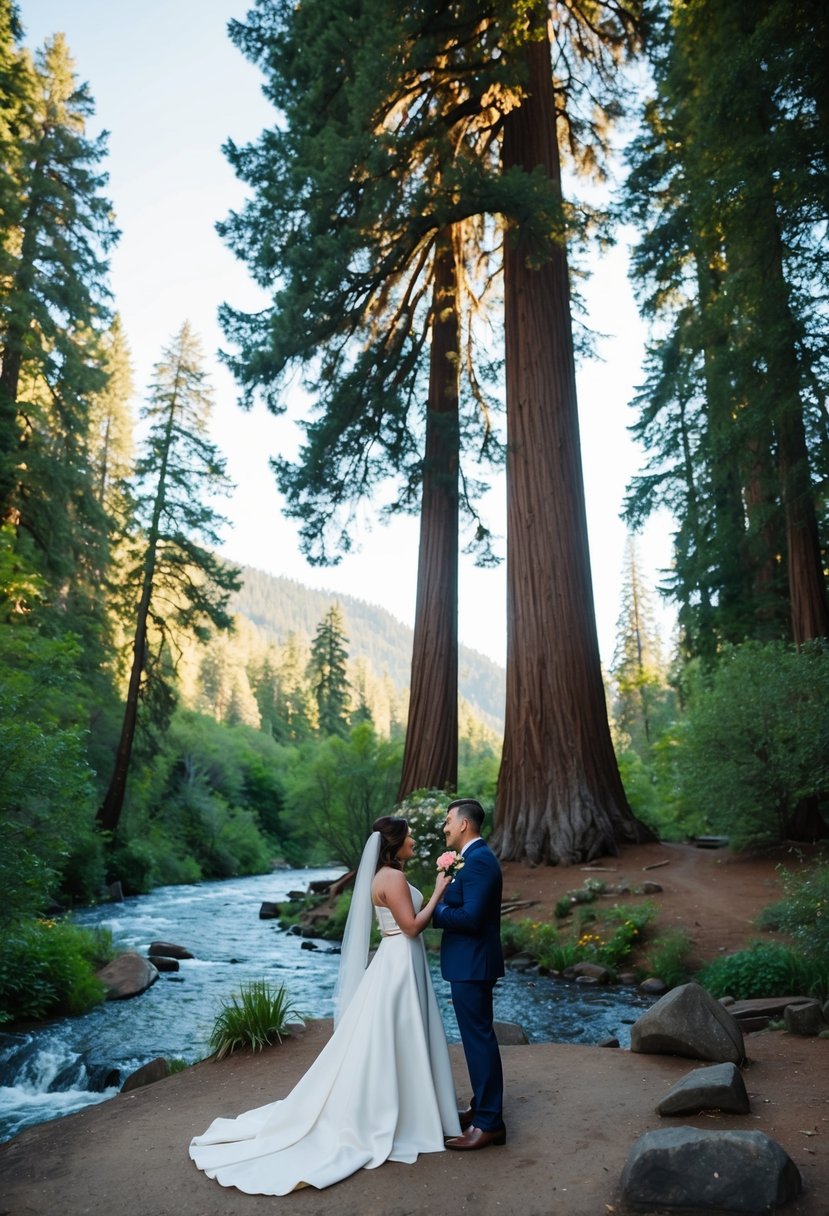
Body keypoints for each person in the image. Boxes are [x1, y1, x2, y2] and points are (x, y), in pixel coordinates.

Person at [188, 816, 461, 1195]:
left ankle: (411, 1106)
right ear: (395, 843)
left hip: (397, 959)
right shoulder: (392, 879)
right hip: (399, 960)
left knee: (393, 1037)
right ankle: (405, 1114)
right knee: (399, 1034)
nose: (414, 840)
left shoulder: (383, 876)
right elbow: (412, 927)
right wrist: (438, 891)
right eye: (409, 836)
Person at [432, 797, 506, 1151]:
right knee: (477, 1038)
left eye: (448, 820)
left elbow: (472, 918)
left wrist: (437, 908)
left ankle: (489, 1123)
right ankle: (482, 1109)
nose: (444, 826)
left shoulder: (478, 863)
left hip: (473, 964)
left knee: (478, 1040)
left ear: (464, 824)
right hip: (470, 964)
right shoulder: (471, 860)